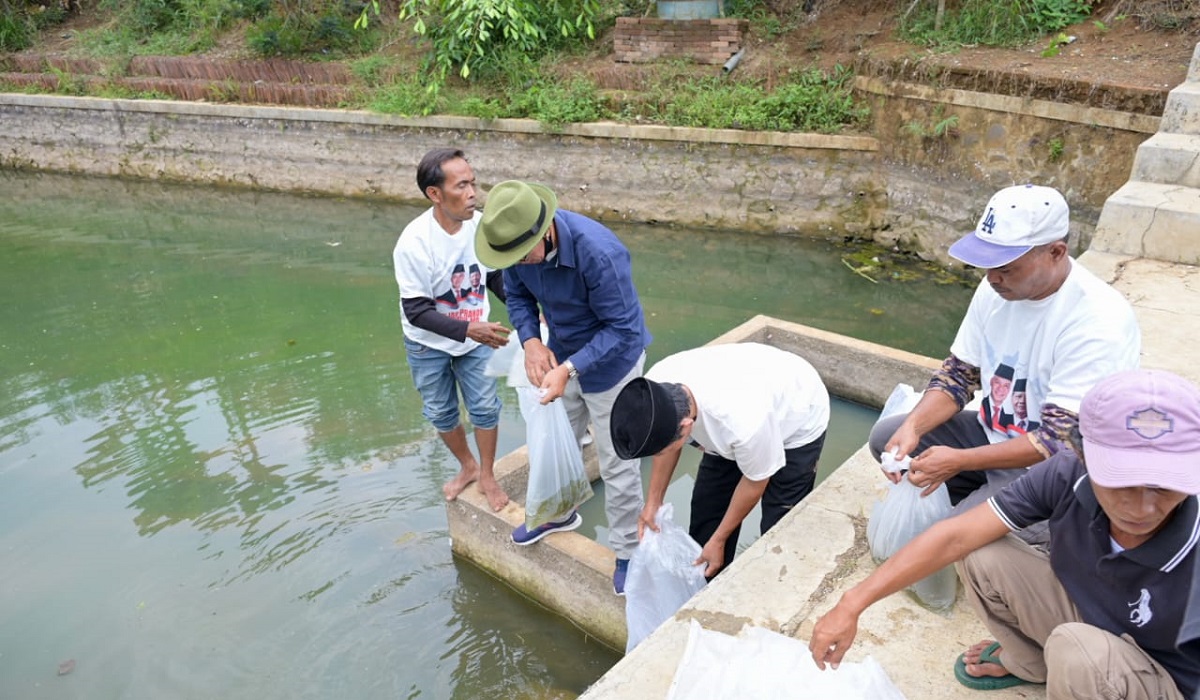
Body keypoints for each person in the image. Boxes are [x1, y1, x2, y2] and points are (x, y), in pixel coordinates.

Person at [811, 368, 1200, 699]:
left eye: (1164, 486)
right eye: (1120, 481)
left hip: (1164, 676)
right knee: (979, 548)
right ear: (1082, 453)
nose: (1142, 508)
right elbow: (956, 536)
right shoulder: (1067, 472)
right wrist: (851, 604)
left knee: (1080, 654)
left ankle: (1070, 668)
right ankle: (1032, 660)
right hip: (1092, 623)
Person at [868, 184, 1141, 519]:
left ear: (1056, 252)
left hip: (1054, 469)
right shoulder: (997, 289)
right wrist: (914, 426)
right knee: (887, 437)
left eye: (1007, 267)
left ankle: (1039, 520)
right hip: (996, 436)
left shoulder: (1098, 319)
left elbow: (1058, 441)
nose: (992, 277)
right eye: (988, 265)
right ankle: (979, 497)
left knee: (954, 536)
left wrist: (959, 460)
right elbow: (959, 375)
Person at [476, 180, 651, 596]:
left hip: (613, 366)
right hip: (560, 353)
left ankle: (629, 551)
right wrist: (531, 341)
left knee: (618, 462)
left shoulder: (599, 253)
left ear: (545, 230)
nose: (519, 263)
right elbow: (517, 297)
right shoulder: (515, 249)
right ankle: (559, 513)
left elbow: (623, 330)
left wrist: (570, 369)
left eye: (523, 255)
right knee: (554, 441)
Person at [609, 342, 830, 578]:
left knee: (779, 526)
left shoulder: (743, 425)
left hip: (798, 413)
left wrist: (720, 539)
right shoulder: (653, 392)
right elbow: (664, 445)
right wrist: (654, 501)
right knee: (707, 515)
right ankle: (708, 583)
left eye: (664, 449)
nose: (661, 454)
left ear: (686, 426)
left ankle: (776, 581)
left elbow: (756, 481)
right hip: (744, 397)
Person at [393, 147, 513, 512]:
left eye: (473, 183)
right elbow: (416, 311)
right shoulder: (414, 243)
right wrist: (468, 329)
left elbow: (495, 277)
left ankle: (487, 474)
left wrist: (529, 314)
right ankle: (468, 465)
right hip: (427, 343)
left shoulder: (479, 227)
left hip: (477, 336)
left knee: (485, 407)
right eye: (461, 186)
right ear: (435, 193)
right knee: (441, 411)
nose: (473, 193)